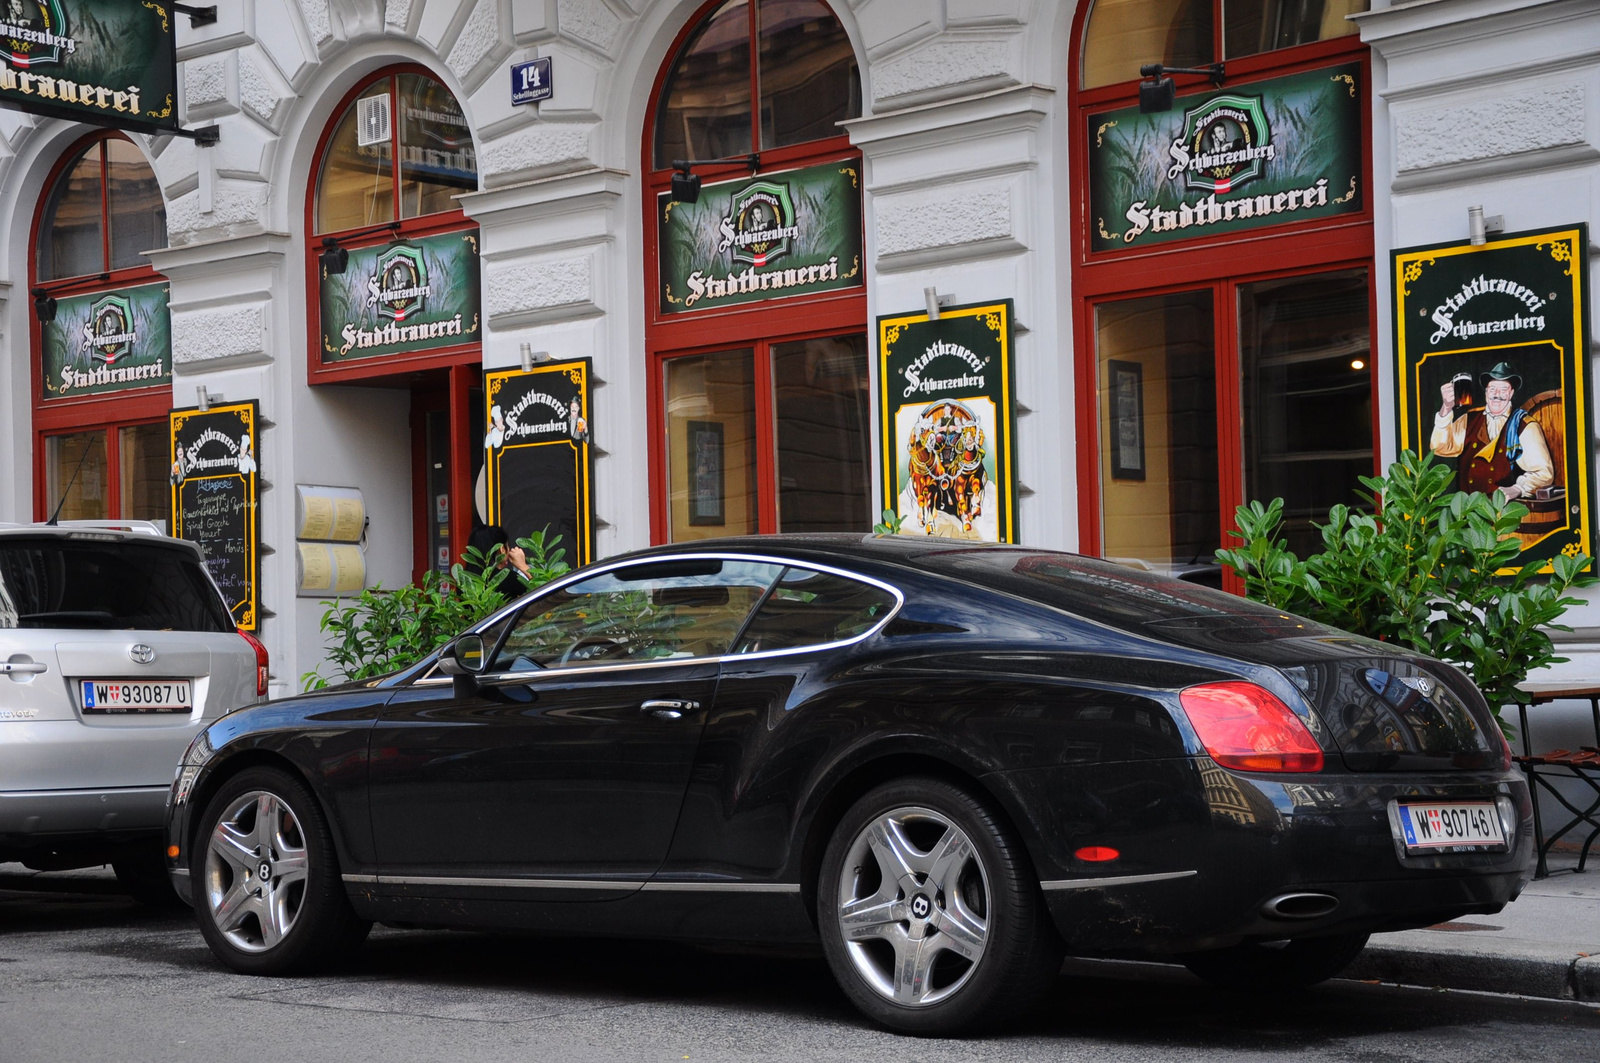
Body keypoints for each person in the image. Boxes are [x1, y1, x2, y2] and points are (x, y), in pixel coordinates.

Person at [1429, 361, 1554, 500]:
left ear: (1511, 393)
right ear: (1486, 391)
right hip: (1465, 510)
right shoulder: (1469, 419)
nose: (1497, 394)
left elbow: (1544, 473)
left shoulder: (1524, 425)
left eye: (1503, 389)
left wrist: (1518, 488)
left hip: (1502, 513)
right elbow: (1440, 447)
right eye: (1493, 388)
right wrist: (1446, 408)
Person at [464, 523, 532, 581]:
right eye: (507, 546)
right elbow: (539, 589)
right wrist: (523, 566)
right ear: (502, 549)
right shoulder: (506, 578)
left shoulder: (465, 579)